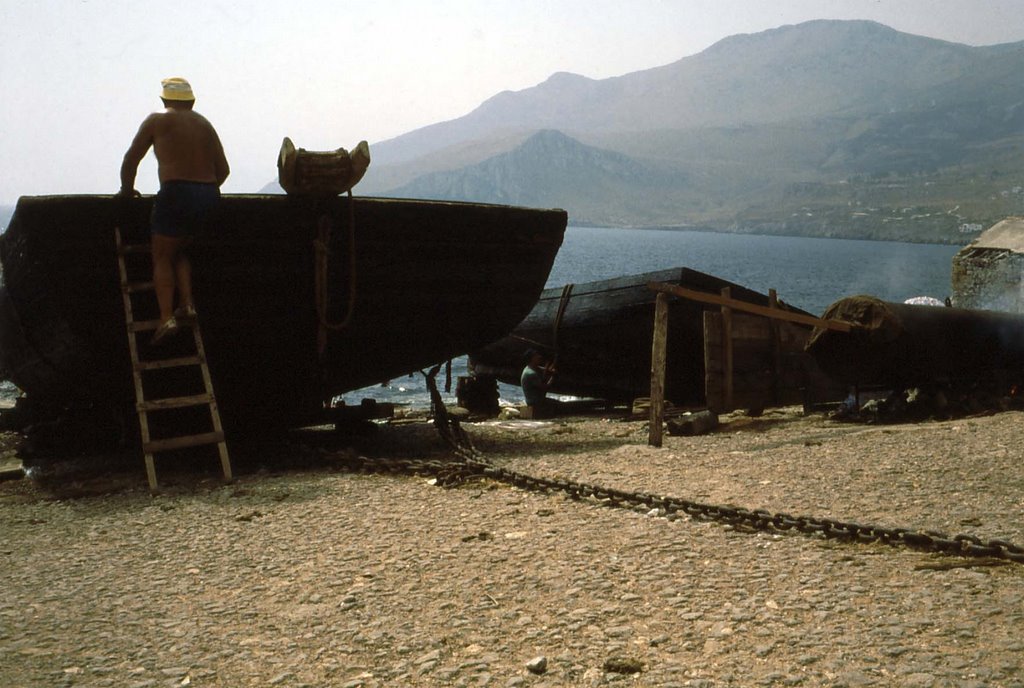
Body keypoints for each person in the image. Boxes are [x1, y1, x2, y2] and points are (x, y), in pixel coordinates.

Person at [116, 77, 230, 344]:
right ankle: (187, 304)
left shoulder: (157, 119)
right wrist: (202, 191)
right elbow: (223, 170)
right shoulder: (205, 124)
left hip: (176, 192)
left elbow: (131, 159)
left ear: (165, 99)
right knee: (180, 248)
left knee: (162, 255)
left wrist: (126, 190)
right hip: (209, 195)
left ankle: (166, 317)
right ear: (191, 101)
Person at [520, 349, 557, 417]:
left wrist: (550, 365)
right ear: (532, 358)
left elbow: (545, 370)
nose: (539, 357)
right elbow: (545, 387)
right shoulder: (530, 373)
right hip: (535, 403)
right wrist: (553, 377)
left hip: (536, 400)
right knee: (559, 406)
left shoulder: (531, 367)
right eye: (536, 356)